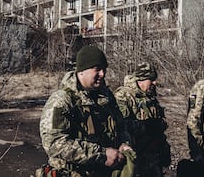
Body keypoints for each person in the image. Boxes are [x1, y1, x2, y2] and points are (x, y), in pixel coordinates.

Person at [39, 45, 134, 177]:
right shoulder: (62, 100)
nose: (103, 74)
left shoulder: (106, 97)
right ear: (81, 71)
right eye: (97, 69)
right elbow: (54, 144)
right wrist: (101, 154)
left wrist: (124, 144)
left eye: (104, 69)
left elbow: (121, 127)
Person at [114, 62, 171, 177]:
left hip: (153, 158)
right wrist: (146, 126)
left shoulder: (150, 96)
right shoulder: (123, 96)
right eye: (151, 79)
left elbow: (159, 121)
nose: (155, 83)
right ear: (141, 80)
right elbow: (120, 126)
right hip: (136, 157)